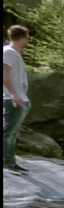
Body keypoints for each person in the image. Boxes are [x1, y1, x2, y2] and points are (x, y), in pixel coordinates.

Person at [3, 24, 32, 173]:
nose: (28, 40)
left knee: (14, 132)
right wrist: (14, 94)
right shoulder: (8, 52)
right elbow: (4, 75)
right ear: (21, 38)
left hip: (21, 98)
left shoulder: (15, 53)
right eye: (27, 37)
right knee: (8, 131)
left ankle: (11, 161)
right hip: (11, 98)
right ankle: (6, 161)